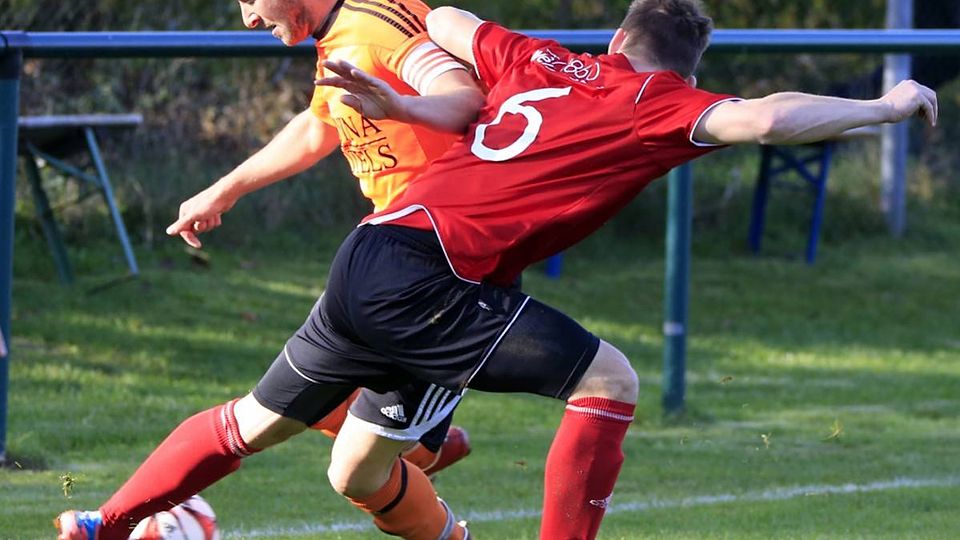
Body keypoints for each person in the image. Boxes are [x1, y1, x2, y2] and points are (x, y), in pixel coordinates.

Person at [61, 0, 938, 539]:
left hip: (369, 253)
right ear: (685, 69)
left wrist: (426, 61)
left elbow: (448, 21)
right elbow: (766, 118)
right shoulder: (654, 102)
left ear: (617, 36)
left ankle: (109, 524)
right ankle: (442, 446)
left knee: (293, 444)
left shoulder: (534, 58)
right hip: (437, 277)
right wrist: (886, 104)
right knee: (611, 380)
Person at [55, 0, 484, 539]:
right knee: (269, 416)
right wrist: (224, 190)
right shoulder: (338, 33)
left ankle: (423, 449)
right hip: (380, 264)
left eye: (250, 0)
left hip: (445, 273)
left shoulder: (380, 22)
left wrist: (402, 106)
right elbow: (318, 126)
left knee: (358, 468)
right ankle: (108, 525)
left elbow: (463, 97)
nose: (248, 20)